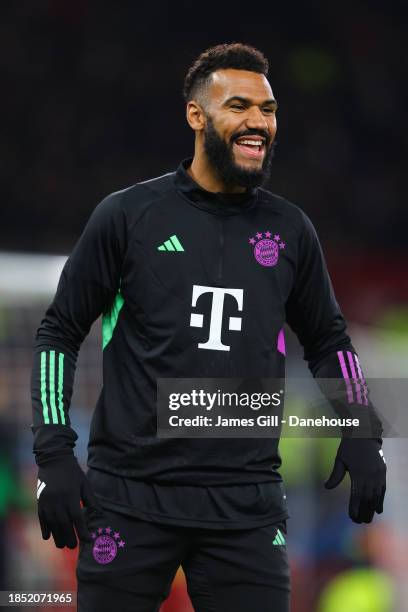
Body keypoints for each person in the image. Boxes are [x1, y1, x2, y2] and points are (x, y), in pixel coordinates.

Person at [31, 43, 386, 612]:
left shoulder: (290, 230)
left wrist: (362, 431)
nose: (258, 123)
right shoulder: (128, 217)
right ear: (197, 116)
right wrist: (53, 454)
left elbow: (328, 342)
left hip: (246, 507)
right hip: (130, 498)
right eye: (239, 106)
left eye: (267, 110)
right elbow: (59, 332)